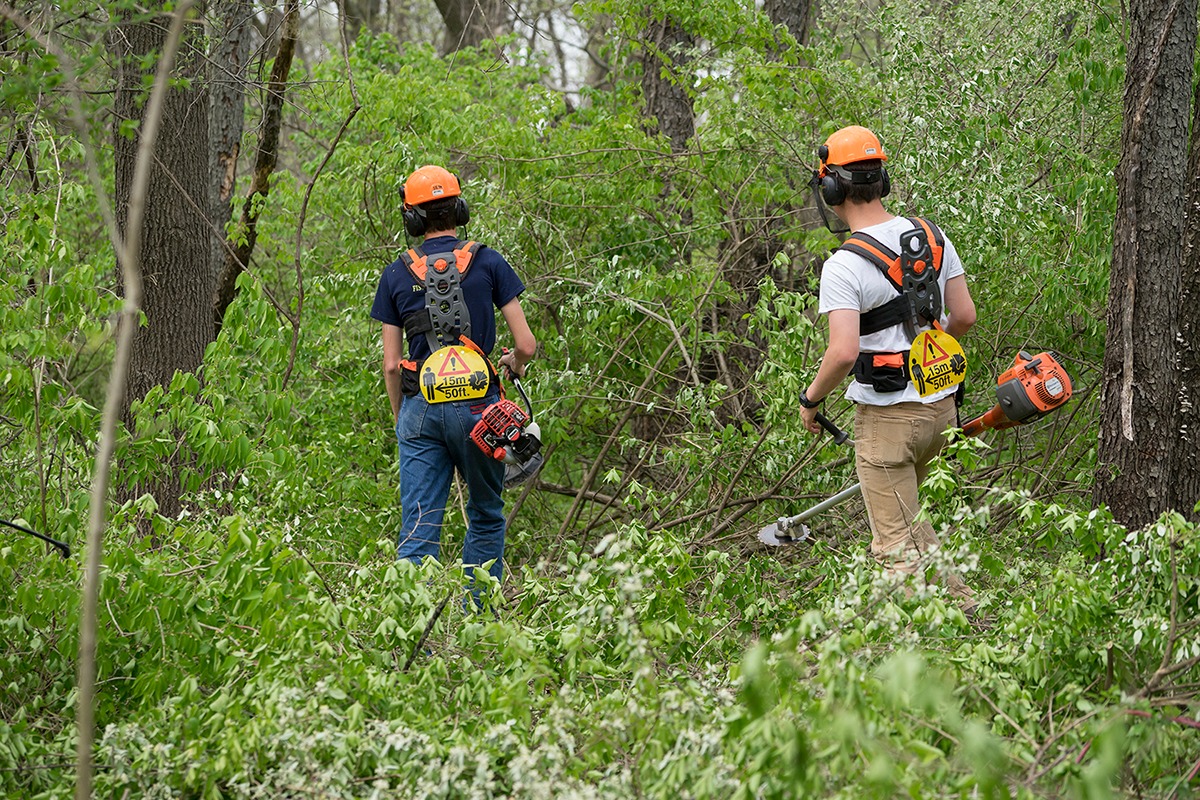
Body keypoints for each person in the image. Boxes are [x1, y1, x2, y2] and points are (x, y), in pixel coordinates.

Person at [798, 126, 979, 612]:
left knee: (896, 549)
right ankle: (966, 613)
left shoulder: (843, 265)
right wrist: (925, 355)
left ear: (832, 189)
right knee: (912, 524)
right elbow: (963, 317)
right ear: (882, 181)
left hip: (888, 422)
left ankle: (913, 662)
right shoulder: (933, 237)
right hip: (942, 414)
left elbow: (841, 353)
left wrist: (810, 401)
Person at [370, 164, 536, 587]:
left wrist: (402, 418)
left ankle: (413, 638)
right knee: (484, 516)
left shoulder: (394, 273)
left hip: (420, 410)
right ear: (459, 209)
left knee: (419, 527)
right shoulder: (488, 261)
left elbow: (391, 365)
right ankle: (477, 622)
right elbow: (527, 345)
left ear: (412, 218)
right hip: (483, 411)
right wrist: (513, 366)